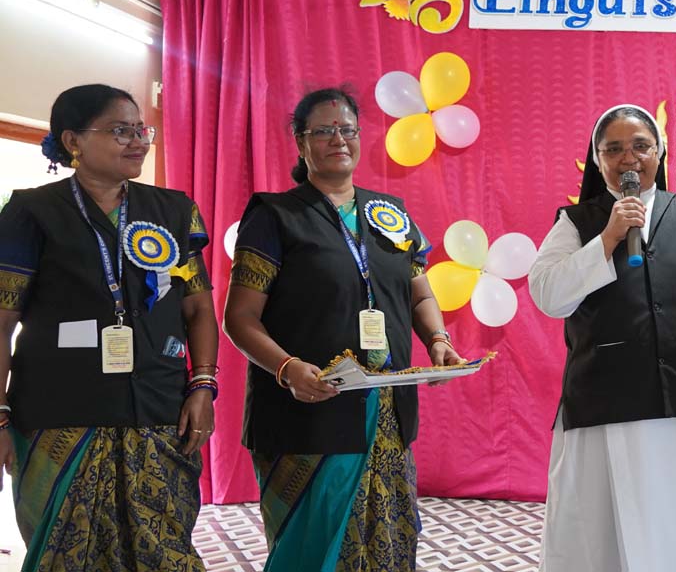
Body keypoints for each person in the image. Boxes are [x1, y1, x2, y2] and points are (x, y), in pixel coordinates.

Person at [222, 87, 461, 571]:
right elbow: (240, 317)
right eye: (324, 131)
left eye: (347, 129)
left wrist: (439, 340)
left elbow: (419, 293)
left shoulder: (389, 212)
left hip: (386, 413)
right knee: (314, 549)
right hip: (305, 413)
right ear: (300, 141)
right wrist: (287, 368)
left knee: (388, 544)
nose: (338, 139)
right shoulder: (274, 216)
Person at [529, 104, 676, 572]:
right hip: (602, 409)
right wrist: (608, 239)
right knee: (598, 545)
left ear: (660, 152)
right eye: (613, 149)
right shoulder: (576, 223)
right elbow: (548, 295)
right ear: (597, 160)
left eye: (640, 146)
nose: (629, 158)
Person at [0, 84, 218, 571]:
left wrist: (203, 386)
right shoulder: (31, 213)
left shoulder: (173, 210)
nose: (138, 141)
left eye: (141, 130)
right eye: (121, 131)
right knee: (65, 556)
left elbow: (199, 309)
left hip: (158, 408)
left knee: (166, 554)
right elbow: (2, 323)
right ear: (73, 140)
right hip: (59, 416)